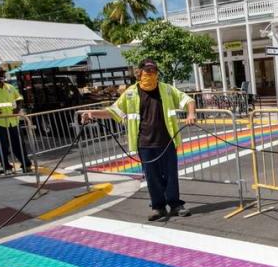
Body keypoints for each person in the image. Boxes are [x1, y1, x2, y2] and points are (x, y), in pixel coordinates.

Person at [80, 58, 197, 221]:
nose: (150, 74)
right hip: (144, 143)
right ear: (139, 73)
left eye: (153, 71)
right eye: (147, 71)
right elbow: (113, 111)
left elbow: (188, 100)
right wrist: (92, 114)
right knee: (152, 177)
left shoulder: (167, 90)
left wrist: (191, 113)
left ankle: (176, 205)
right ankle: (159, 207)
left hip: (167, 141)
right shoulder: (130, 94)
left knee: (170, 175)